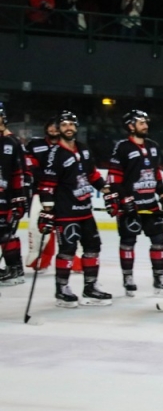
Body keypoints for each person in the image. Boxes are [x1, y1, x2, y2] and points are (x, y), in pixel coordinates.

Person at [38, 111, 112, 307]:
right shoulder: (55, 154)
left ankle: (90, 288)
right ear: (59, 128)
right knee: (67, 250)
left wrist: (106, 190)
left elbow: (92, 175)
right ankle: (61, 290)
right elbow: (46, 185)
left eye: (71, 124)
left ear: (76, 127)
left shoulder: (84, 149)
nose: (68, 128)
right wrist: (46, 210)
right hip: (65, 213)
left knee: (93, 247)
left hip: (85, 211)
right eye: (64, 125)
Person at [105, 110, 163, 297]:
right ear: (131, 126)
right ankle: (128, 278)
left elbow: (156, 175)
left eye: (146, 121)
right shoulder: (122, 147)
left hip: (150, 205)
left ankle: (159, 278)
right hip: (131, 206)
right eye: (141, 122)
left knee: (160, 240)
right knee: (128, 241)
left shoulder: (153, 146)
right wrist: (124, 199)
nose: (145, 125)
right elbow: (114, 178)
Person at [24, 117, 60, 271]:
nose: (53, 129)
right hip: (40, 192)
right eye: (50, 126)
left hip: (63, 193)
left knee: (68, 226)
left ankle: (76, 260)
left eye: (56, 127)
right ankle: (40, 259)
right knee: (37, 227)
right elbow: (28, 165)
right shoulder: (35, 144)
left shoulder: (69, 146)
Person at [0, 106, 27, 287]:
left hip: (4, 196)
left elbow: (19, 173)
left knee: (4, 233)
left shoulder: (11, 142)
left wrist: (19, 197)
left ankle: (14, 269)